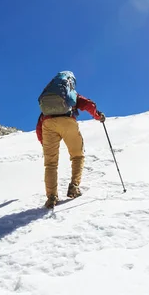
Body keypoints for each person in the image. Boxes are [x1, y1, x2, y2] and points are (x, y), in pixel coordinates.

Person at [36, 72, 105, 209]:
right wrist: (98, 116)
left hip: (48, 124)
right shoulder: (71, 94)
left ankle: (51, 197)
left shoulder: (50, 98)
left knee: (50, 164)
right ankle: (74, 187)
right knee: (77, 155)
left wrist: (43, 142)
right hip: (68, 122)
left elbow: (39, 124)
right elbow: (89, 105)